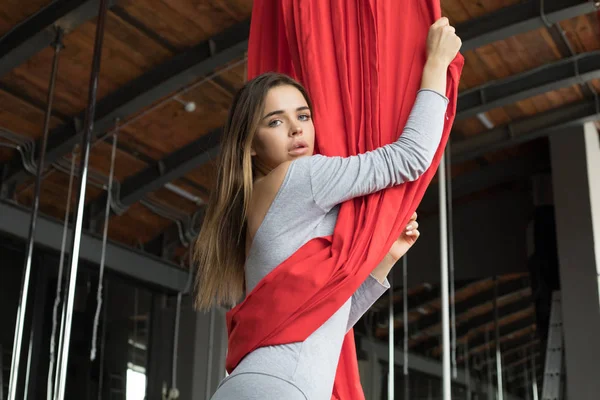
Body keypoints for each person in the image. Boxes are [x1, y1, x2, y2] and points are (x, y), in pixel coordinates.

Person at [193, 16, 461, 400]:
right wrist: (435, 65)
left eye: (303, 115)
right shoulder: (303, 176)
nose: (296, 129)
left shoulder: (255, 203)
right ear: (250, 143)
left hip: (260, 385)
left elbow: (324, 320)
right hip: (279, 387)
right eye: (275, 121)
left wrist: (383, 260)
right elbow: (410, 158)